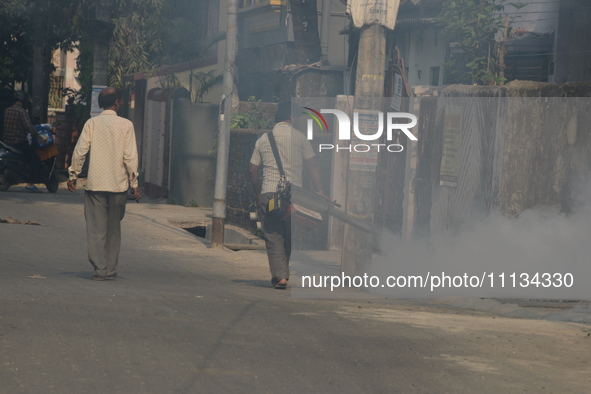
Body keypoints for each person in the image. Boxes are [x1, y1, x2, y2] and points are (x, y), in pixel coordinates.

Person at [249, 101, 325, 289]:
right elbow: (313, 166)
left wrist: (259, 193)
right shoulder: (300, 138)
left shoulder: (263, 139)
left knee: (273, 234)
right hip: (293, 196)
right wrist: (320, 192)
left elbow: (252, 170)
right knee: (288, 234)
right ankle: (283, 273)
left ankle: (280, 276)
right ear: (292, 118)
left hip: (270, 193)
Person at [67, 87, 140, 281]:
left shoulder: (92, 124)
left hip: (95, 184)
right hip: (118, 185)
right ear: (117, 102)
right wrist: (134, 183)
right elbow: (130, 156)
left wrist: (73, 175)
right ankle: (110, 268)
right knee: (114, 228)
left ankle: (100, 270)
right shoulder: (126, 125)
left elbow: (80, 150)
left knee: (96, 229)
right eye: (121, 101)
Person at [2, 91, 43, 192]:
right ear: (24, 102)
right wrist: (38, 136)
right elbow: (29, 127)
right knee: (35, 158)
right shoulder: (22, 112)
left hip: (6, 142)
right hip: (19, 142)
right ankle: (30, 183)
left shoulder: (7, 110)